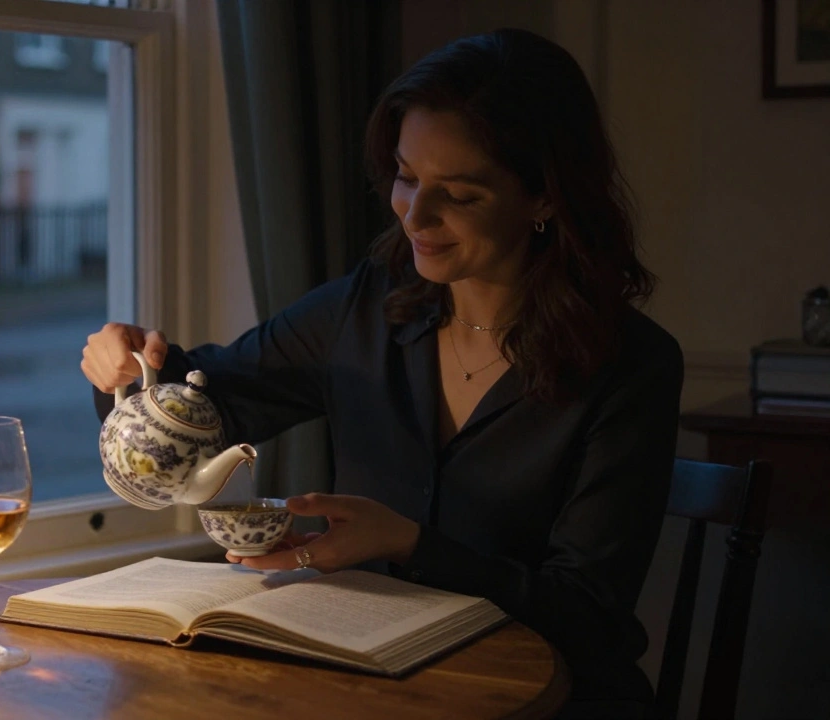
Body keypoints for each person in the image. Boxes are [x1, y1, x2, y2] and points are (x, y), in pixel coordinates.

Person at [81, 28, 682, 719]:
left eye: (459, 194)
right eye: (405, 175)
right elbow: (212, 403)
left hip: (546, 701)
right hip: (367, 689)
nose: (415, 215)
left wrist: (410, 543)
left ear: (545, 198)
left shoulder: (632, 366)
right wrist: (129, 371)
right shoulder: (365, 309)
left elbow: (589, 617)